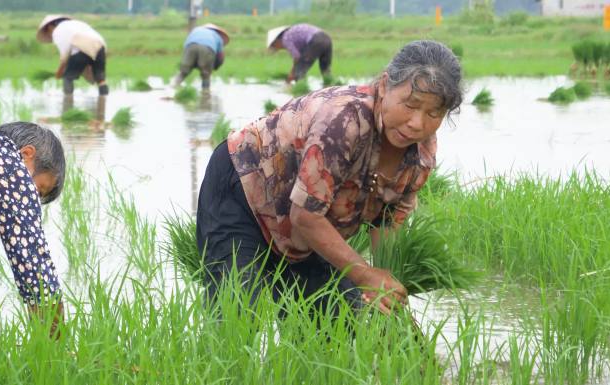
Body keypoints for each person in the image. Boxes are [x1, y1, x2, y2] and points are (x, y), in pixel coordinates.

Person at [196, 40, 462, 315]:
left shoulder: (421, 153)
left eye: (433, 113)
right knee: (237, 312)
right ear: (384, 86)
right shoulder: (343, 122)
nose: (417, 123)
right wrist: (364, 274)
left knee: (336, 322)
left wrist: (383, 283)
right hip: (245, 190)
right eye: (410, 105)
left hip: (308, 224)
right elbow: (305, 216)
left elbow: (386, 223)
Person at [0, 122, 67, 335]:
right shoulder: (7, 162)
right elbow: (36, 271)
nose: (32, 199)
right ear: (26, 154)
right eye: (39, 191)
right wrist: (55, 358)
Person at [36, 15, 108, 96]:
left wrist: (59, 72)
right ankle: (104, 99)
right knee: (101, 79)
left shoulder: (57, 31)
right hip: (101, 46)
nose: (50, 35)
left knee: (67, 78)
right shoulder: (77, 24)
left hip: (81, 48)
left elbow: (64, 57)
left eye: (48, 32)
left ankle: (67, 101)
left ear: (49, 27)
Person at [267, 23, 333, 83]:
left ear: (276, 41)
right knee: (325, 70)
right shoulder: (292, 34)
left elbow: (297, 58)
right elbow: (302, 54)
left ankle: (301, 89)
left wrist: (292, 73)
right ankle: (330, 89)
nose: (279, 49)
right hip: (326, 38)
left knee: (299, 70)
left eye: (274, 46)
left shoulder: (285, 38)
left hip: (316, 40)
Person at [174, 24, 230, 90]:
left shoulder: (196, 30)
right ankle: (205, 93)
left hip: (190, 47)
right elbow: (220, 56)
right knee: (206, 74)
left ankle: (173, 88)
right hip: (207, 48)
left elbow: (186, 47)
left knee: (183, 72)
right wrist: (215, 67)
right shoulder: (217, 36)